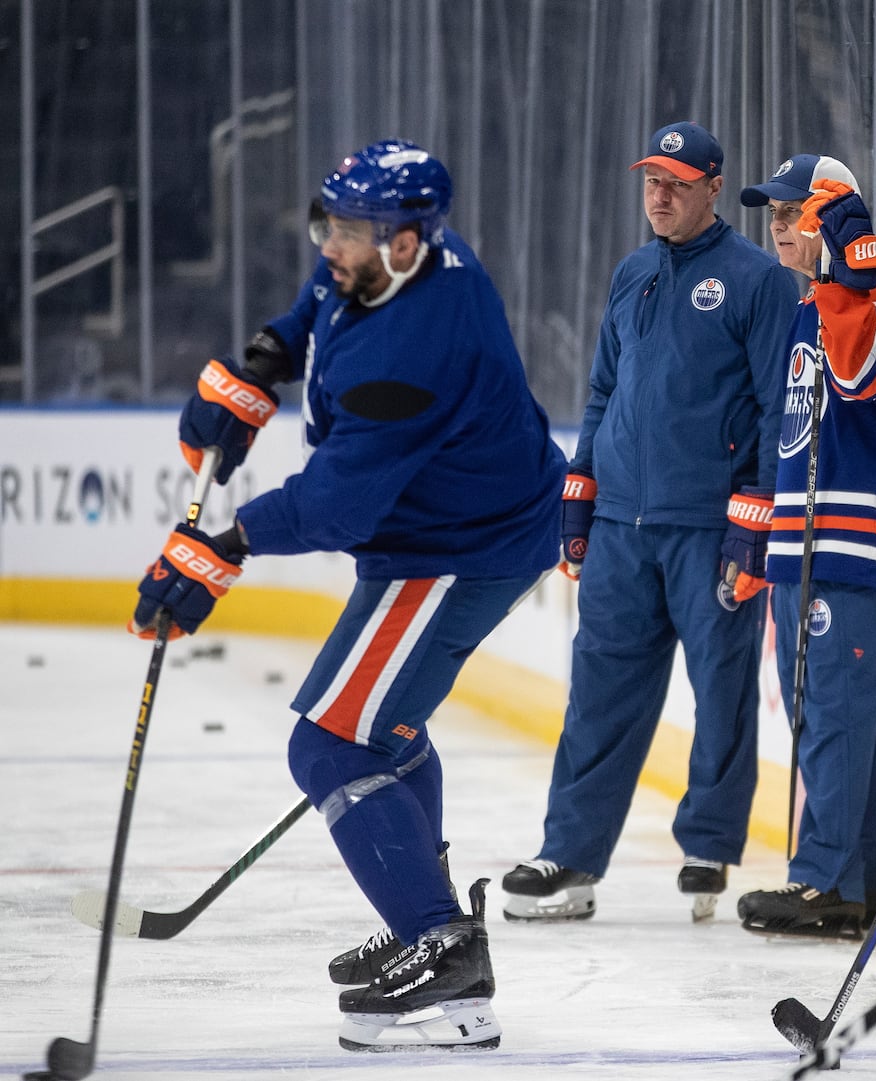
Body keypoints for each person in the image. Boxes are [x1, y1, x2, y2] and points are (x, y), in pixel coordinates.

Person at [131, 139, 567, 1050]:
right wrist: (260, 361)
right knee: (381, 727)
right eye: (328, 221)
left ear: (408, 243)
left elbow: (334, 502)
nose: (331, 244)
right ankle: (428, 919)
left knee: (329, 743)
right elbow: (321, 306)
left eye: (355, 231)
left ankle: (440, 945)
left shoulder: (414, 349)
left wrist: (219, 546)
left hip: (461, 548)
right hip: (441, 532)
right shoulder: (383, 268)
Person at [500, 122, 798, 923]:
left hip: (710, 527)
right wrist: (579, 486)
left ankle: (708, 842)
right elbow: (602, 390)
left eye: (675, 183)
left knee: (722, 689)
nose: (659, 195)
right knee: (597, 692)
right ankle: (569, 855)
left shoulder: (758, 281)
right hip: (623, 526)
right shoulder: (632, 272)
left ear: (710, 188)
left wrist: (755, 521)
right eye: (650, 182)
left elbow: (778, 409)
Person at [727, 155, 876, 938]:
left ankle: (824, 880)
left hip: (854, 537)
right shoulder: (807, 303)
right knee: (835, 714)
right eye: (771, 215)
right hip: (803, 537)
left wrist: (851, 274)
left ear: (829, 216)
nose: (776, 227)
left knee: (833, 710)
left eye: (791, 213)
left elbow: (859, 379)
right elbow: (791, 427)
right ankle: (866, 878)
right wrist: (762, 534)